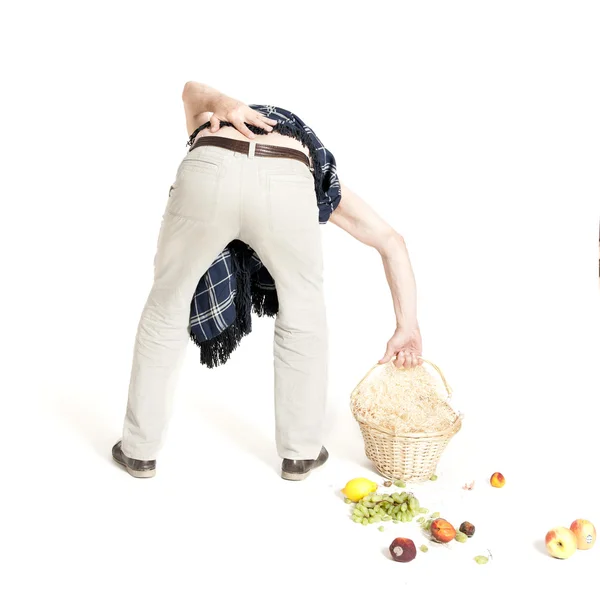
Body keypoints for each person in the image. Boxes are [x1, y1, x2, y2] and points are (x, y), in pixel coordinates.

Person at [111, 82, 423, 480]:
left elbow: (189, 89)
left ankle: (139, 451)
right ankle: (301, 453)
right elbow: (392, 242)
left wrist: (219, 102)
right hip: (287, 179)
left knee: (166, 305)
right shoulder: (315, 175)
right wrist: (407, 327)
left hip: (209, 168)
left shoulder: (206, 125)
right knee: (304, 309)